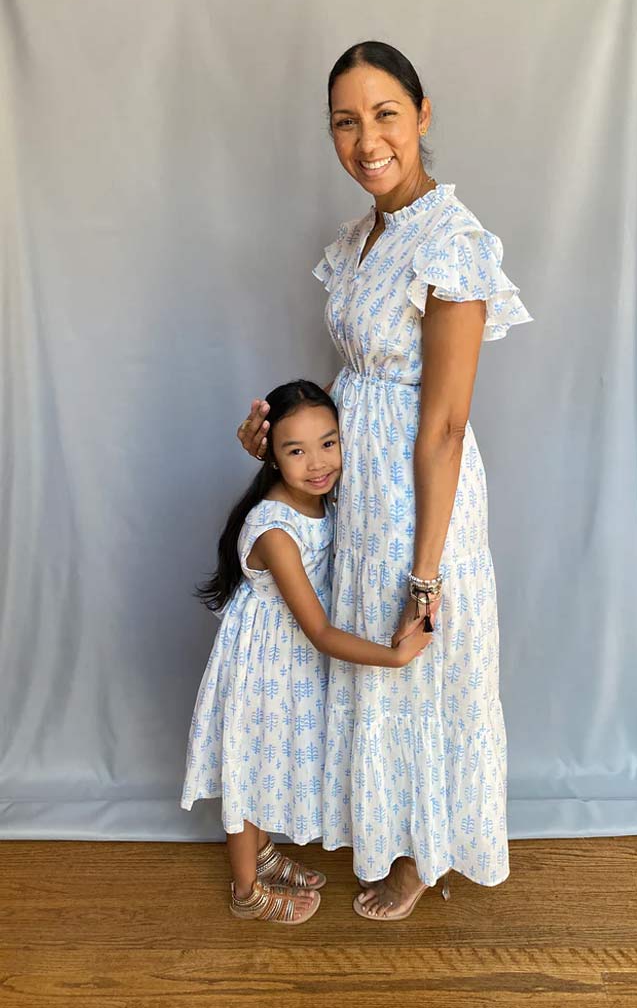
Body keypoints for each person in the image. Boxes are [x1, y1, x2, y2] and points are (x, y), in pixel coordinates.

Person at [239, 41, 532, 921]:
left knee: (421, 668)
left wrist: (426, 571)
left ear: (422, 115)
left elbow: (442, 424)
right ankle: (387, 829)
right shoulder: (362, 235)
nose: (366, 139)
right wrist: (281, 433)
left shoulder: (453, 241)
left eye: (385, 114)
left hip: (420, 499)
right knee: (375, 665)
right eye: (345, 120)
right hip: (360, 489)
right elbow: (357, 378)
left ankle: (422, 856)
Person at [181, 379, 431, 924]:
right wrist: (392, 656)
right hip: (262, 667)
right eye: (296, 450)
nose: (317, 462)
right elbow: (318, 630)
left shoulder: (326, 498)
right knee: (247, 767)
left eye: (329, 443)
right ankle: (246, 889)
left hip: (289, 663)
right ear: (270, 454)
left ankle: (263, 852)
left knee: (271, 757)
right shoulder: (276, 530)